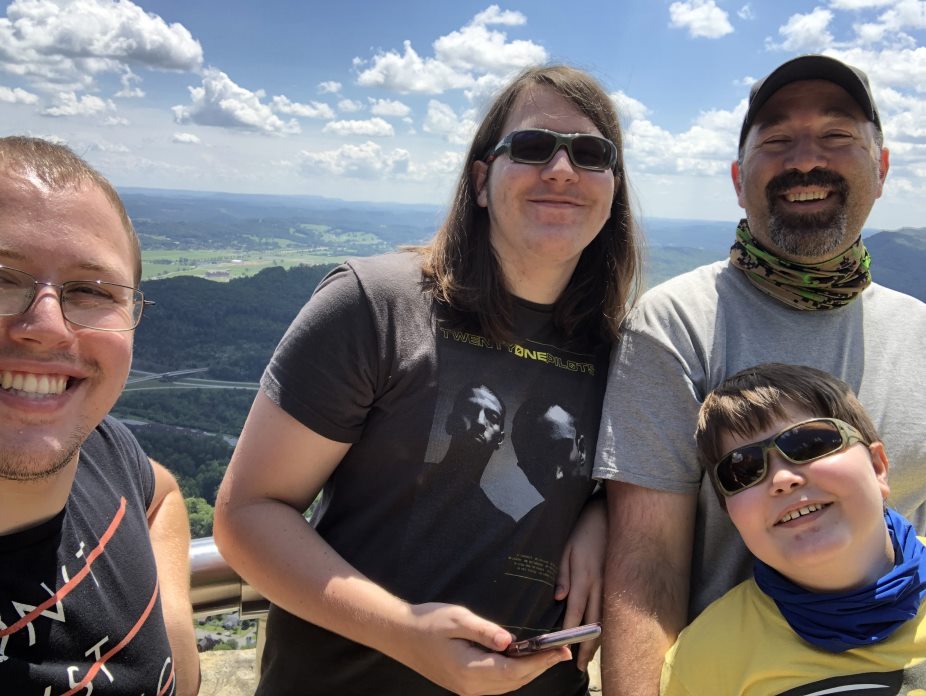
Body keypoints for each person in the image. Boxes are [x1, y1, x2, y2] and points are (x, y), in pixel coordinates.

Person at [214, 63, 641, 696]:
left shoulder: (623, 352)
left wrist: (602, 513)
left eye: (590, 153)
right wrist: (405, 632)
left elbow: (630, 486)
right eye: (531, 147)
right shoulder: (376, 306)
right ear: (479, 181)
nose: (561, 169)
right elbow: (247, 514)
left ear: (612, 188)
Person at [593, 54, 926, 695]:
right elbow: (646, 563)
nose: (806, 160)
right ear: (739, 175)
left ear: (881, 168)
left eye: (837, 136)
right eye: (776, 140)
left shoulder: (919, 332)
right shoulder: (675, 321)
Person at [0, 137, 199, 694]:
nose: (46, 325)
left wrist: (176, 643)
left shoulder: (105, 451)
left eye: (89, 290)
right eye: (0, 277)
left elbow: (162, 497)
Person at [661, 363, 926, 694]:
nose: (783, 479)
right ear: (730, 511)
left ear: (878, 467)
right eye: (743, 469)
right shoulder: (704, 660)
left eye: (810, 443)